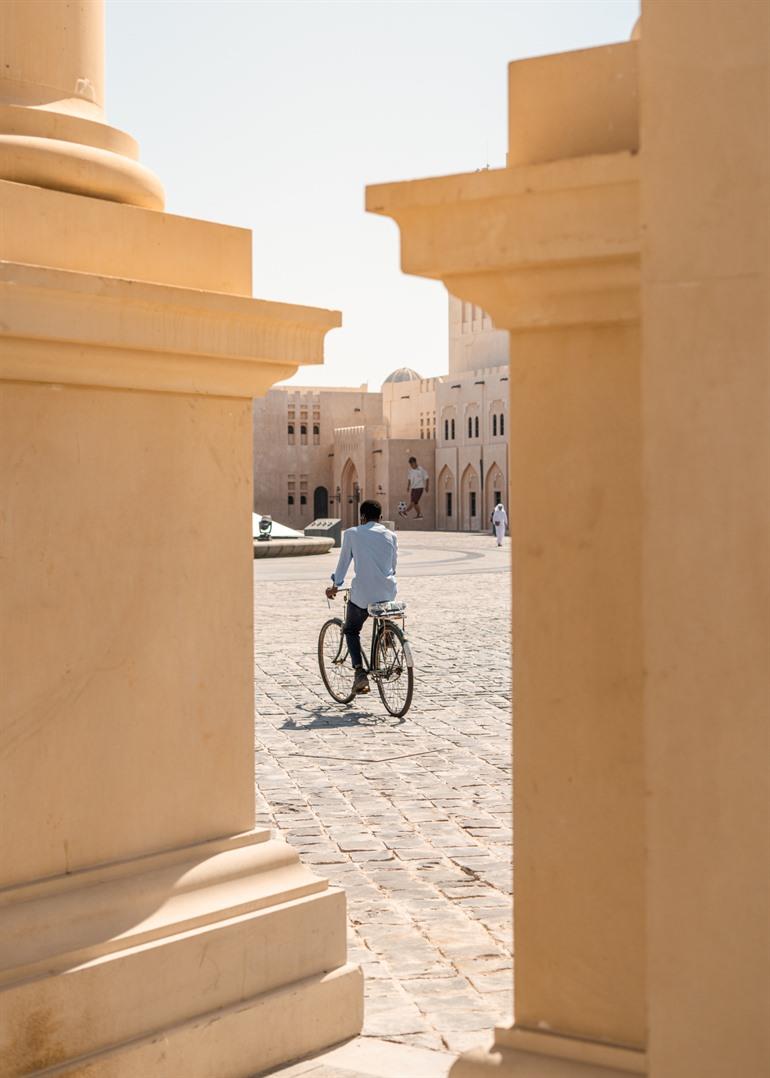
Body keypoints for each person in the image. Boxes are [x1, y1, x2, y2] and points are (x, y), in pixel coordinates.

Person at [325, 499, 398, 695]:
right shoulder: (391, 535)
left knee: (351, 630)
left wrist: (335, 586)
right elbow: (393, 566)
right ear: (380, 517)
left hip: (363, 594)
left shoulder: (352, 533)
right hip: (387, 591)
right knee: (381, 607)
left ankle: (359, 673)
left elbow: (343, 564)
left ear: (362, 517)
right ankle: (386, 631)